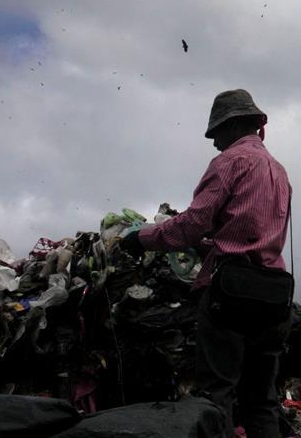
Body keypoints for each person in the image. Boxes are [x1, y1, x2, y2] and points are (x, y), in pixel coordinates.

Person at [121, 89, 292, 438]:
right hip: (275, 295)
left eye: (216, 134)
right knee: (262, 399)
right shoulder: (279, 170)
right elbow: (252, 230)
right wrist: (208, 245)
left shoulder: (229, 162)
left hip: (231, 293)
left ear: (233, 126)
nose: (214, 143)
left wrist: (141, 238)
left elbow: (191, 224)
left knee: (217, 393)